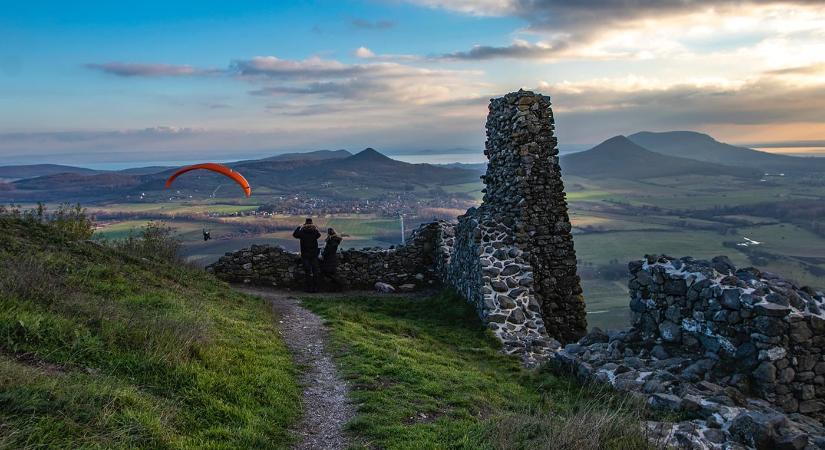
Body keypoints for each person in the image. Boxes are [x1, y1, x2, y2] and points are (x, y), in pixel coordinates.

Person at [293, 218, 321, 292]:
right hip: (314, 255)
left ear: (305, 224)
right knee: (315, 272)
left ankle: (309, 288)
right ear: (312, 223)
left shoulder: (302, 232)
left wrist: (300, 226)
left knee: (308, 272)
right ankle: (316, 288)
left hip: (305, 255)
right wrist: (315, 227)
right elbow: (319, 235)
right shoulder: (314, 232)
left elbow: (295, 235)